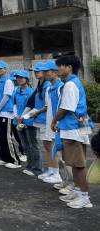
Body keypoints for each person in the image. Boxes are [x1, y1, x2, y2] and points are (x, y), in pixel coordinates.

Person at [51, 55, 93, 209]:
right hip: (72, 128)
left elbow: (66, 108)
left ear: (69, 67)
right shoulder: (71, 83)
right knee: (75, 163)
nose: (58, 69)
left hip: (73, 129)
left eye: (61, 65)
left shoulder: (70, 85)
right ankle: (77, 191)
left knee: (79, 164)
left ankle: (84, 197)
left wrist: (54, 120)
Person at [43, 60, 73, 188]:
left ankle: (72, 184)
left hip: (62, 126)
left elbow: (64, 108)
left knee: (67, 156)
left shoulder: (61, 87)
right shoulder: (51, 88)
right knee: (59, 154)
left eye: (46, 72)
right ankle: (65, 180)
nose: (44, 74)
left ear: (55, 73)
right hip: (55, 126)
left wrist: (56, 122)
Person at [0, 61, 20, 168]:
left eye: (0, 68)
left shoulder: (8, 82)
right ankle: (4, 158)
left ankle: (14, 160)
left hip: (6, 113)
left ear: (5, 69)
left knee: (7, 137)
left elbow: (6, 97)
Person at [27, 63, 53, 180]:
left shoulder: (47, 86)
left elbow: (47, 105)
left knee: (50, 147)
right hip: (40, 119)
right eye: (35, 71)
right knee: (47, 146)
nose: (36, 73)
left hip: (45, 119)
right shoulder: (40, 85)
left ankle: (54, 172)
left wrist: (36, 113)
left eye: (38, 71)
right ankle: (51, 170)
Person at [14, 70, 43, 176]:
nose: (19, 79)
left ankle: (37, 168)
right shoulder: (17, 91)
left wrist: (22, 117)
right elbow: (15, 104)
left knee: (33, 145)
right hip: (19, 120)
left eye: (22, 77)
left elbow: (33, 107)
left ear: (27, 79)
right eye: (18, 77)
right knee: (25, 146)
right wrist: (16, 116)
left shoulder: (31, 92)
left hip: (29, 122)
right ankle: (30, 166)